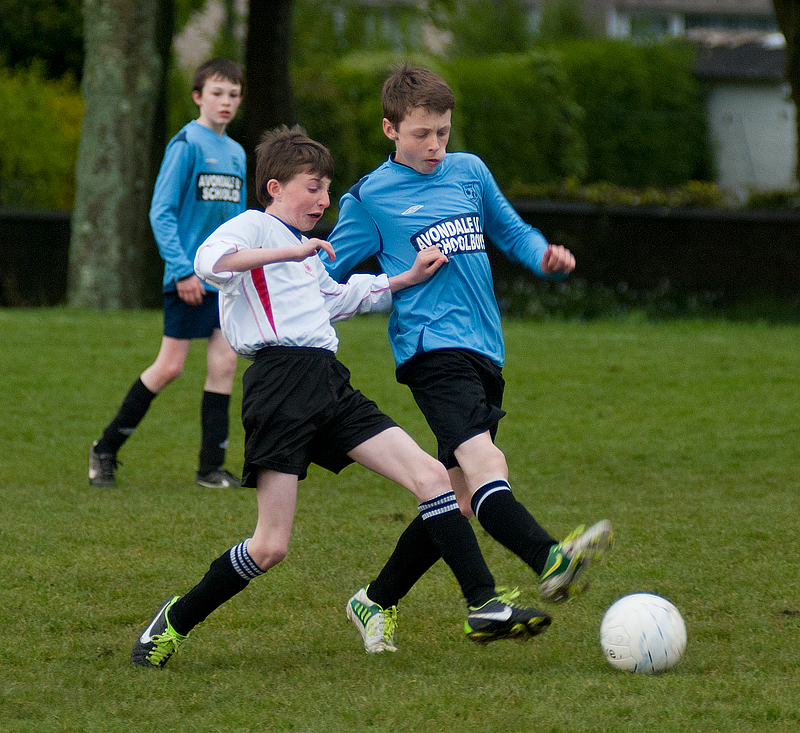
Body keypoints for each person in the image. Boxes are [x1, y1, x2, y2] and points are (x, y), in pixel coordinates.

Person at [130, 125, 553, 670]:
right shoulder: (253, 227)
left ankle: (484, 604)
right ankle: (175, 620)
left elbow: (341, 296)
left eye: (328, 189)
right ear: (275, 187)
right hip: (278, 387)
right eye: (312, 188)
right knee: (270, 546)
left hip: (329, 381)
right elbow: (210, 264)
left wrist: (403, 278)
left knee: (431, 477)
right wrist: (289, 249)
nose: (323, 200)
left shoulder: (307, 254)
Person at [322, 64, 613, 653]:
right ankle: (549, 558)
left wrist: (543, 254)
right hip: (431, 349)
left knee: (451, 495)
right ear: (390, 129)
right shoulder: (370, 198)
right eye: (422, 134)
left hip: (485, 349)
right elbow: (325, 273)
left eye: (443, 133)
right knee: (486, 461)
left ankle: (374, 600)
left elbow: (510, 230)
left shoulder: (469, 171)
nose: (435, 146)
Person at [89, 58, 246, 489]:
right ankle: (104, 450)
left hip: (224, 278)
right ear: (198, 96)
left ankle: (210, 468)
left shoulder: (236, 153)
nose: (226, 102)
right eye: (217, 93)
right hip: (189, 277)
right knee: (169, 367)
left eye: (233, 94)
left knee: (225, 361)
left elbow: (239, 222)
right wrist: (181, 270)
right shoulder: (186, 144)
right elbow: (162, 212)